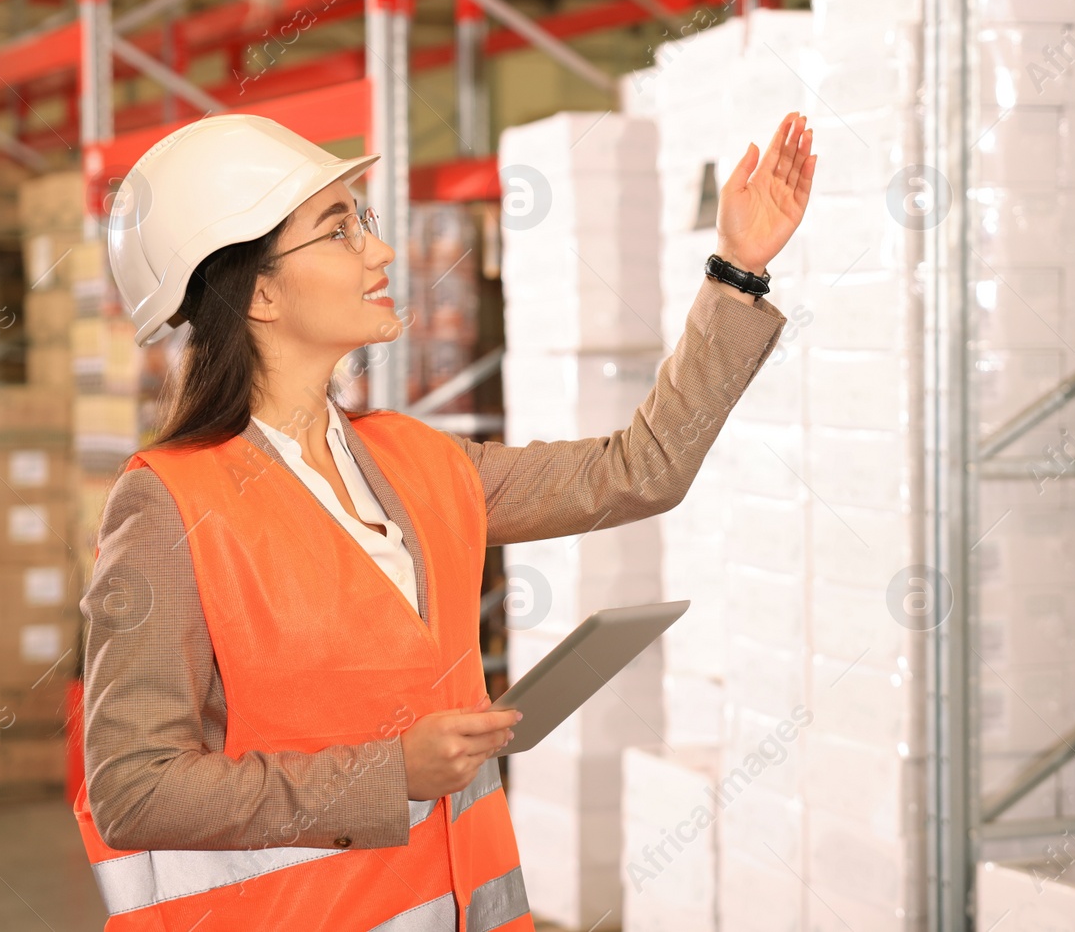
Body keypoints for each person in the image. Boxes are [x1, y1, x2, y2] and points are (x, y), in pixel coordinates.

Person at [72, 111, 816, 931]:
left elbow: (640, 468)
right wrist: (390, 773)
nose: (380, 252)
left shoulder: (417, 462)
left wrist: (737, 273)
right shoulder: (167, 504)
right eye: (339, 229)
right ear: (260, 291)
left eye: (366, 222)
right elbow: (135, 787)